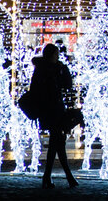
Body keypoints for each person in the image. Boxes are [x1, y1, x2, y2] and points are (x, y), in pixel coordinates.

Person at [30, 43, 77, 189]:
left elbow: (66, 85)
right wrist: (63, 69)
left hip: (49, 110)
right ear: (51, 55)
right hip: (53, 110)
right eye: (56, 54)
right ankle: (66, 177)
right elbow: (67, 85)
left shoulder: (42, 70)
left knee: (57, 143)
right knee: (58, 142)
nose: (58, 57)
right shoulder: (52, 70)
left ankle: (50, 177)